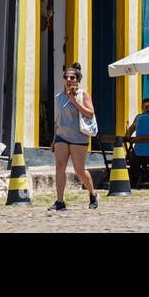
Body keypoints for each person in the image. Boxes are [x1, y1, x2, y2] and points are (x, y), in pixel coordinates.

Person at [50, 62, 98, 211]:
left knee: (79, 169)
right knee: (59, 167)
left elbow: (90, 114)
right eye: (66, 77)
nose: (69, 80)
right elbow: (57, 120)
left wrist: (74, 102)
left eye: (72, 77)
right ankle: (60, 202)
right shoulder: (59, 97)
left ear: (78, 80)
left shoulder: (83, 94)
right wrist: (53, 139)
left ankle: (92, 193)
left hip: (79, 137)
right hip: (61, 137)